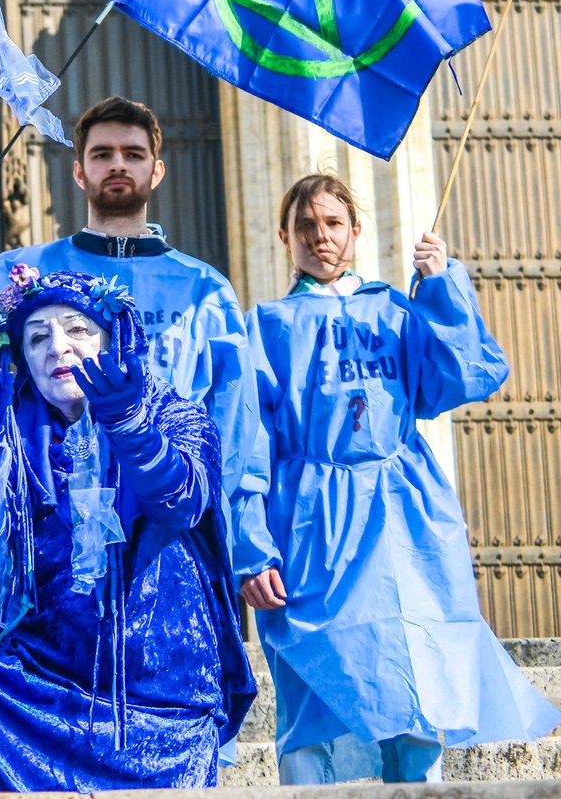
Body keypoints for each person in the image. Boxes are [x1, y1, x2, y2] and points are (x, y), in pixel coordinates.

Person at [0, 265, 255, 790]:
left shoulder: (173, 414)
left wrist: (130, 426)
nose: (58, 347)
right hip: (32, 688)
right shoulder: (14, 431)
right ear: (22, 359)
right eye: (37, 337)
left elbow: (181, 502)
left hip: (152, 709)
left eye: (77, 329)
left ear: (112, 341)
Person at [234, 174, 560, 783]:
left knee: (417, 689)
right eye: (305, 226)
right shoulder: (268, 326)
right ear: (284, 237)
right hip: (313, 525)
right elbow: (247, 442)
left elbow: (465, 374)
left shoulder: (395, 311)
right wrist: (251, 548)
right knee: (311, 701)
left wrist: (441, 287)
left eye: (333, 223)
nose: (320, 237)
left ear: (356, 231)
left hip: (403, 520)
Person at [0, 95, 253, 563]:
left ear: (156, 171)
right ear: (79, 172)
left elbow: (235, 424)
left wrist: (237, 538)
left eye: (133, 154)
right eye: (102, 154)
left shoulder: (204, 288)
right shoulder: (25, 271)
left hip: (168, 532)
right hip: (50, 529)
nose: (118, 164)